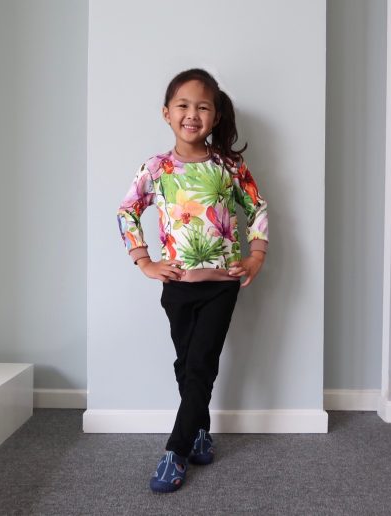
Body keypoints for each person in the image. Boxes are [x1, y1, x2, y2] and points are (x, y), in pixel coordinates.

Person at [116, 68, 269, 493]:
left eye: (203, 107)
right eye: (183, 105)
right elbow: (127, 211)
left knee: (200, 363)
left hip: (221, 284)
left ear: (215, 116)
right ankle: (200, 431)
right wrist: (144, 261)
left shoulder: (229, 166)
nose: (192, 114)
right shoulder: (157, 168)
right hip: (177, 286)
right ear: (167, 113)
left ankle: (176, 451)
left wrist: (256, 255)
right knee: (187, 365)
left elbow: (256, 207)